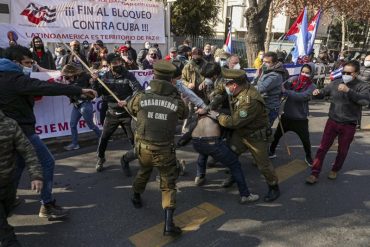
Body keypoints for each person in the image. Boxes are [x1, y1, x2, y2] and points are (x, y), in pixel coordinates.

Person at [0, 45, 97, 220]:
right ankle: (47, 204)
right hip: (22, 132)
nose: (30, 66)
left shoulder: (5, 76)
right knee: (47, 162)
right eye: (27, 63)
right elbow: (47, 88)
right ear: (15, 63)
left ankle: (8, 198)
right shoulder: (14, 79)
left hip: (11, 133)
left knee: (18, 166)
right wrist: (79, 90)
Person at [126, 60, 188, 236]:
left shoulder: (141, 97)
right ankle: (168, 225)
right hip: (164, 150)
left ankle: (136, 196)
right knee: (168, 184)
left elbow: (131, 107)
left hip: (144, 148)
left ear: (154, 76)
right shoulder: (176, 101)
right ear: (171, 80)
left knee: (143, 172)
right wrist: (177, 96)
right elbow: (185, 114)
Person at [207, 68, 280, 202]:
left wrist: (217, 115)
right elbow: (221, 87)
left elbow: (234, 122)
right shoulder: (238, 87)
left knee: (263, 165)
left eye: (228, 85)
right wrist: (215, 94)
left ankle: (273, 187)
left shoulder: (250, 100)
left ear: (234, 85)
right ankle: (234, 176)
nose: (226, 87)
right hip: (241, 134)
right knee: (230, 155)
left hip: (255, 136)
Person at [306, 61, 370, 184]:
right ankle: (315, 172)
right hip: (333, 121)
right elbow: (324, 92)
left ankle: (335, 169)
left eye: (348, 73)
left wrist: (348, 91)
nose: (345, 74)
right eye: (343, 72)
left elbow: (365, 101)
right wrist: (317, 93)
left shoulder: (363, 86)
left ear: (355, 73)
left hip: (349, 124)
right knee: (322, 148)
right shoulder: (336, 83)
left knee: (342, 150)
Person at [0, 110, 43, 247]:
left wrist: (36, 175)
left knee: (5, 213)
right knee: (5, 230)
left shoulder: (9, 125)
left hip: (7, 183)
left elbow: (27, 150)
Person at [93, 53, 142, 173]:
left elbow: (139, 90)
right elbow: (97, 93)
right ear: (109, 65)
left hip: (127, 113)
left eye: (119, 62)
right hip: (112, 113)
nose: (118, 64)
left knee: (133, 139)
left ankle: (137, 159)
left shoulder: (128, 75)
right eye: (114, 63)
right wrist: (95, 81)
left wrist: (127, 101)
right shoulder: (104, 76)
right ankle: (100, 158)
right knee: (104, 138)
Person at [269, 63, 316, 166]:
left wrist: (286, 92)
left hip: (300, 119)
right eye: (302, 72)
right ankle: (271, 151)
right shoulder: (294, 80)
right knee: (276, 136)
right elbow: (280, 87)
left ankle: (308, 156)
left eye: (307, 73)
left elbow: (302, 97)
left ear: (312, 74)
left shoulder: (312, 86)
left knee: (305, 140)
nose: (304, 74)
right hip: (287, 116)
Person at [61, 65, 101, 151]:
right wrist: (65, 86)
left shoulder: (84, 76)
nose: (65, 77)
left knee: (91, 125)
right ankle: (75, 144)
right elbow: (69, 94)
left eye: (66, 75)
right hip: (76, 105)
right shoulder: (68, 81)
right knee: (72, 124)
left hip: (85, 104)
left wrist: (94, 78)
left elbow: (94, 88)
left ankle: (102, 139)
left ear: (71, 72)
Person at [255, 51, 287, 126]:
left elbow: (260, 88)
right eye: (263, 61)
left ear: (274, 63)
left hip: (269, 108)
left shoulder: (275, 75)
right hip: (263, 105)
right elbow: (255, 83)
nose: (264, 64)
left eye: (267, 62)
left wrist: (258, 76)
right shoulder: (266, 71)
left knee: (264, 131)